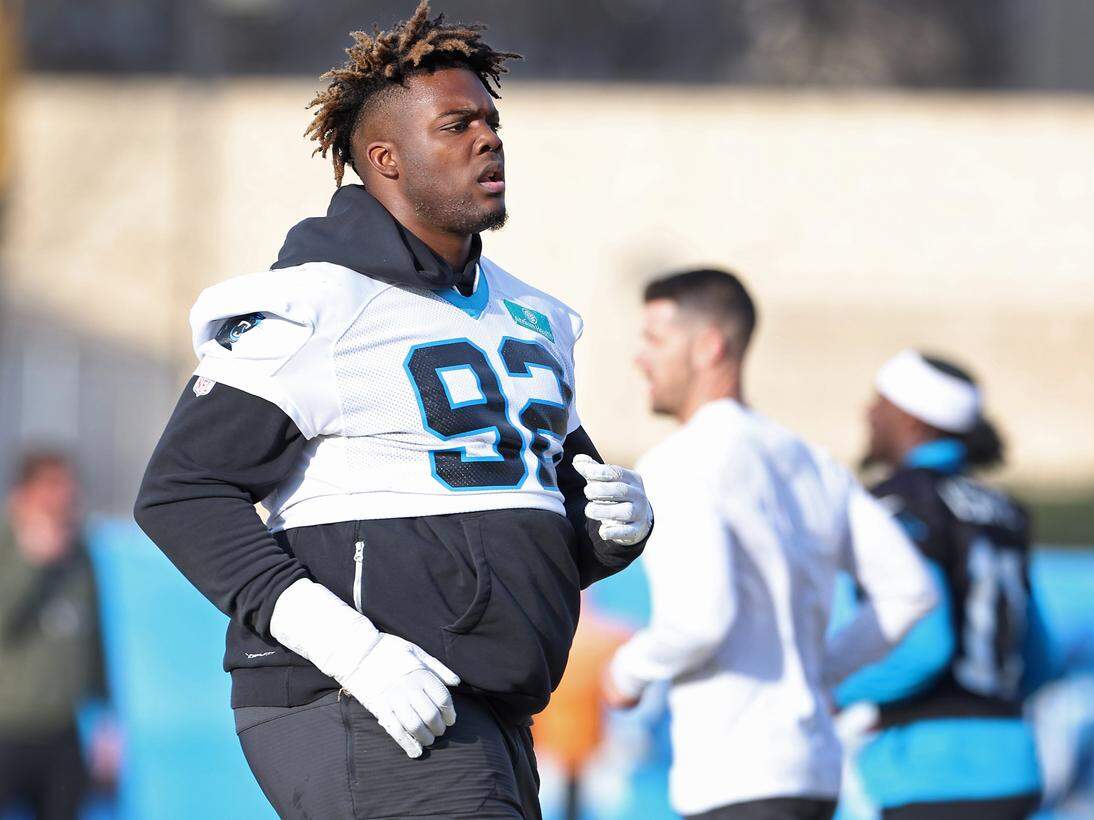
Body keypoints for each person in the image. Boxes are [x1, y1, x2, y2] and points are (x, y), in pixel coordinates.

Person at [133, 4, 652, 818]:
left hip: (495, 705)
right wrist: (357, 653)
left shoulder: (536, 316)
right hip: (359, 695)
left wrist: (607, 531)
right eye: (456, 125)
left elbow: (509, 523)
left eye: (490, 120)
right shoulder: (315, 302)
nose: (488, 139)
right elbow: (181, 494)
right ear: (386, 160)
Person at [603, 269, 939, 820]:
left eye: (655, 340)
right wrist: (819, 673)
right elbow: (910, 591)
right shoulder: (812, 461)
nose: (640, 359)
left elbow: (700, 620)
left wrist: (627, 672)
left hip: (736, 775)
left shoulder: (678, 463)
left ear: (709, 346)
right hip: (812, 771)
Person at [832, 349, 1058, 820]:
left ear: (912, 419)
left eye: (881, 402)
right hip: (1015, 766)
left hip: (929, 773)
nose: (868, 413)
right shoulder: (1004, 511)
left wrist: (827, 690)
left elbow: (925, 646)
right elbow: (1039, 659)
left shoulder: (900, 502)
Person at [0, 451, 117, 820]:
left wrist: (106, 720)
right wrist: (31, 563)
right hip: (7, 728)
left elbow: (93, 637)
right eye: (51, 486)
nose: (63, 497)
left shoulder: (79, 552)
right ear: (24, 493)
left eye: (67, 486)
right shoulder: (7, 546)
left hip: (61, 731)